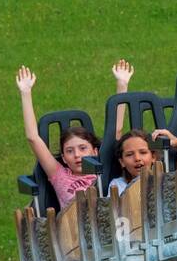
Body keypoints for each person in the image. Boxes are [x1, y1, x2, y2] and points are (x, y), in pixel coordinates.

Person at [15, 65, 101, 208]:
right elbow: (33, 138)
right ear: (64, 158)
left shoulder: (102, 173)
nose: (77, 155)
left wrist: (122, 85)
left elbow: (116, 133)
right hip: (73, 227)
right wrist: (25, 92)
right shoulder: (60, 175)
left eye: (83, 148)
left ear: (95, 152)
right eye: (69, 151)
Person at [109, 129, 158, 194]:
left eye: (143, 152)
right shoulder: (117, 186)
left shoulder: (163, 181)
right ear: (122, 162)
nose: (137, 158)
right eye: (129, 154)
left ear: (153, 157)